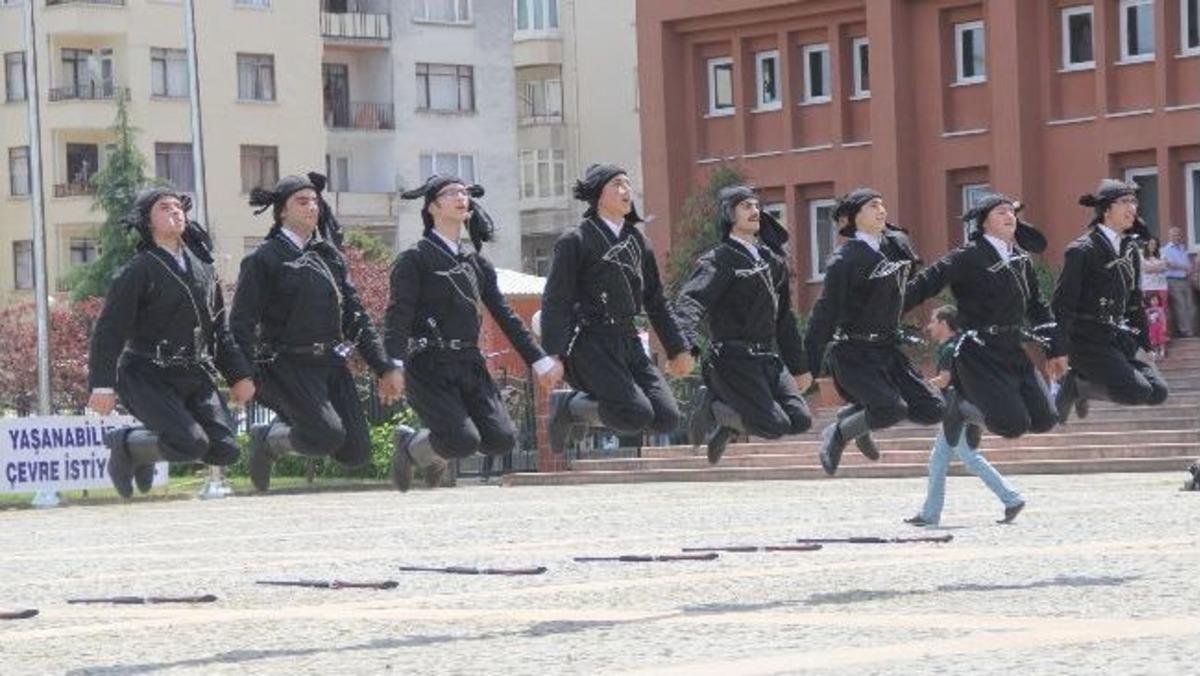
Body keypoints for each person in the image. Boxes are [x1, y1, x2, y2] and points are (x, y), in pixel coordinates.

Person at [384, 175, 562, 492]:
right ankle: (412, 447)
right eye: (451, 192)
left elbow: (505, 316)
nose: (460, 197)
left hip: (469, 362)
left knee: (503, 438)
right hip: (429, 364)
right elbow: (398, 315)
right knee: (463, 442)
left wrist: (539, 361)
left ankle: (432, 448)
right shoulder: (415, 259)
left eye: (464, 192)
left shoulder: (476, 263)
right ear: (433, 207)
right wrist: (392, 364)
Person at [230, 173, 403, 492]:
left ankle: (276, 437)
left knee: (356, 453)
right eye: (302, 201)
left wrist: (384, 366)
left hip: (331, 364)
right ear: (282, 211)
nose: (312, 207)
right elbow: (240, 323)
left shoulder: (330, 257)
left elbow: (356, 316)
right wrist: (243, 375)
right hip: (287, 365)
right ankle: (266, 441)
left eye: (315, 201)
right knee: (326, 435)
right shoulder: (263, 259)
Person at [88, 187, 256, 498]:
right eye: (165, 208)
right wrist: (101, 385)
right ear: (148, 221)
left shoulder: (205, 269)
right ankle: (126, 447)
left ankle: (140, 448)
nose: (176, 212)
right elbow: (109, 330)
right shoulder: (138, 270)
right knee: (191, 442)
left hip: (194, 373)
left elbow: (219, 330)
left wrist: (238, 375)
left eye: (179, 207)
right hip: (145, 374)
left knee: (227, 449)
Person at [541, 164, 694, 453]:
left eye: (628, 184)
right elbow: (556, 300)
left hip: (629, 341)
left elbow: (656, 301)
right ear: (599, 194)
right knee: (636, 413)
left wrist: (678, 349)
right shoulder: (575, 240)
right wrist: (554, 354)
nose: (627, 191)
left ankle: (579, 403)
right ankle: (569, 406)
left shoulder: (638, 242)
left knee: (666, 417)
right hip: (590, 344)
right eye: (618, 184)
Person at [904, 194, 1065, 459]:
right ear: (984, 223)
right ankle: (959, 407)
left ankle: (974, 407)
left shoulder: (1021, 260)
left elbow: (1037, 305)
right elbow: (924, 285)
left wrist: (1054, 348)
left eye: (1011, 212)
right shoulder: (967, 256)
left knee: (1045, 420)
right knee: (1012, 425)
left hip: (1012, 349)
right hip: (979, 353)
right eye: (1000, 212)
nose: (1009, 216)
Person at [804, 188, 945, 475]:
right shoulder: (844, 261)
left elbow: (903, 291)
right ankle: (840, 432)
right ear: (855, 217)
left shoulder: (893, 247)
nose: (881, 210)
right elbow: (824, 314)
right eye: (872, 206)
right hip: (853, 353)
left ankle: (860, 417)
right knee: (891, 409)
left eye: (882, 204)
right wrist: (805, 365)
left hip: (887, 351)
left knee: (932, 409)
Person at [674, 185, 812, 464]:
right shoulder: (719, 259)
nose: (755, 211)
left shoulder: (773, 261)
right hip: (732, 360)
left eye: (756, 206)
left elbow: (784, 318)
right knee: (774, 426)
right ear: (729, 214)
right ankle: (713, 407)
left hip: (768, 359)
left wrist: (799, 367)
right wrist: (684, 347)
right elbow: (691, 302)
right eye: (746, 206)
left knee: (800, 420)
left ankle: (729, 423)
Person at [1053, 179, 1168, 421]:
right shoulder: (1081, 250)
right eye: (1124, 202)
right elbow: (1062, 304)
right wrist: (1058, 349)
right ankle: (1076, 385)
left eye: (1134, 201)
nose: (1133, 208)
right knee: (1138, 391)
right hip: (1085, 338)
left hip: (1117, 335)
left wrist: (1145, 345)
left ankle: (1086, 384)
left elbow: (1135, 302)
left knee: (1158, 392)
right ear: (1106, 210)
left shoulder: (1129, 250)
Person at [904, 305, 1026, 526]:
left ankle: (1012, 498)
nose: (929, 326)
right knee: (939, 461)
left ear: (943, 323)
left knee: (968, 458)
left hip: (957, 411)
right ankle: (929, 514)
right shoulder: (962, 345)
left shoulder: (950, 348)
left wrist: (919, 387)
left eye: (933, 321)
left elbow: (945, 379)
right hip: (962, 409)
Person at [1163, 227, 1195, 337]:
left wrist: (1187, 269)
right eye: (1174, 235)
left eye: (1178, 235)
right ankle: (1186, 331)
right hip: (1174, 281)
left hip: (1185, 280)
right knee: (1180, 306)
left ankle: (1191, 330)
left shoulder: (1182, 248)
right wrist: (1184, 267)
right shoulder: (1165, 250)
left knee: (1190, 306)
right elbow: (1170, 265)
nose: (1177, 237)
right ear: (1170, 236)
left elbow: (1188, 265)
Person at [1141, 236, 1168, 311]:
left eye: (1155, 244)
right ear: (1147, 245)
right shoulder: (1142, 256)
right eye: (1151, 244)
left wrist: (1151, 267)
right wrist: (1159, 266)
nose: (1153, 246)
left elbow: (1164, 267)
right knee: (1150, 312)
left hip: (1161, 287)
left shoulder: (1162, 255)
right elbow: (1145, 269)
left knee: (1162, 311)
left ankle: (1163, 323)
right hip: (1148, 287)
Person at [1146, 294, 1168, 359]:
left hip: (1160, 326)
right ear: (1149, 301)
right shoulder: (1147, 310)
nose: (1155, 301)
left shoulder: (1160, 309)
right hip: (1151, 327)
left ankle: (1162, 351)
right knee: (1153, 340)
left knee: (1161, 339)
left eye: (1156, 300)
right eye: (1153, 300)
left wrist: (1164, 327)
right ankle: (1155, 352)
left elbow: (1163, 318)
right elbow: (1147, 319)